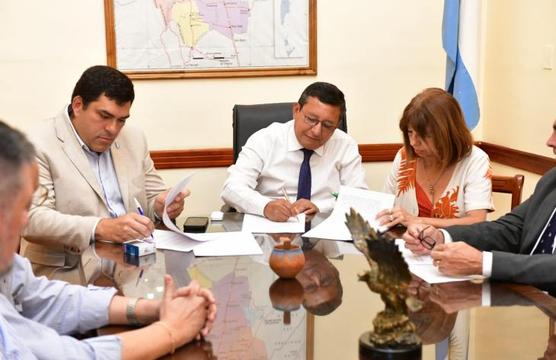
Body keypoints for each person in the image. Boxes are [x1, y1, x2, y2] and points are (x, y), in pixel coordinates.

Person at [0, 120, 217, 359]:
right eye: (24, 206)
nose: (24, 221)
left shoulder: (9, 268)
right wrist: (172, 330)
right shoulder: (43, 139)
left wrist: (153, 309)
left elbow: (47, 298)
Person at [21, 65, 188, 282]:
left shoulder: (134, 138)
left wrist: (161, 207)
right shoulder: (35, 142)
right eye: (104, 116)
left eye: (121, 119)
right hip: (64, 275)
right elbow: (32, 219)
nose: (113, 129)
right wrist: (101, 228)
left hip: (131, 269)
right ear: (78, 105)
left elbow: (151, 198)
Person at [402, 120, 556, 293]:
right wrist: (442, 236)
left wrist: (484, 263)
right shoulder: (552, 180)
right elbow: (510, 230)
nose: (550, 141)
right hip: (525, 299)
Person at [221, 82, 367, 222]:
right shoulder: (265, 139)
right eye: (311, 119)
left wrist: (320, 207)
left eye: (328, 125)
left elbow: (359, 198)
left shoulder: (345, 145)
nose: (317, 131)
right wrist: (265, 206)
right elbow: (232, 189)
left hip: (325, 230)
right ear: (296, 110)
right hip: (269, 228)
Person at [377, 88, 493, 229]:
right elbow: (384, 207)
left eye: (423, 135)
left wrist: (416, 220)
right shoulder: (404, 156)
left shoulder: (475, 160)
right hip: (407, 247)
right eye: (410, 132)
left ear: (447, 133)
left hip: (456, 247)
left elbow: (476, 221)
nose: (413, 142)